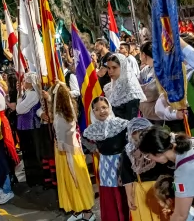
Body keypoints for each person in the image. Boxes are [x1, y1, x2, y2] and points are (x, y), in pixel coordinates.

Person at [45, 83, 94, 221]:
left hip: (68, 151)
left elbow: (64, 135)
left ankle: (86, 211)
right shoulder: (65, 111)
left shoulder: (63, 116)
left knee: (75, 180)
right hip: (68, 150)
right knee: (72, 181)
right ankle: (77, 209)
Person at [83, 97, 127, 221]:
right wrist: (94, 148)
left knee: (123, 195)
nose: (101, 111)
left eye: (104, 107)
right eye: (97, 109)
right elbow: (83, 139)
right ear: (93, 112)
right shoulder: (93, 129)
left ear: (109, 108)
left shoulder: (120, 124)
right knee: (109, 196)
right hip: (105, 166)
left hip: (121, 164)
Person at [120, 118, 173, 221]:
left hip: (161, 188)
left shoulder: (156, 146)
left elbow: (168, 168)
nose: (139, 136)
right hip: (140, 190)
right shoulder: (128, 151)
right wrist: (129, 196)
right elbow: (126, 175)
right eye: (135, 134)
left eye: (142, 133)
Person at [12, 72, 44, 187]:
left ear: (30, 83)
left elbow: (19, 109)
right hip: (24, 127)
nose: (23, 82)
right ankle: (32, 178)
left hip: (32, 127)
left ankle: (37, 179)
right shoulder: (27, 93)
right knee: (28, 154)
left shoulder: (33, 94)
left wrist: (19, 97)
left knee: (34, 153)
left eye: (25, 81)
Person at [104, 54, 146, 120]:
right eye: (108, 68)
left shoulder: (131, 90)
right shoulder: (111, 87)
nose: (110, 71)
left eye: (114, 68)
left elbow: (131, 120)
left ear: (123, 67)